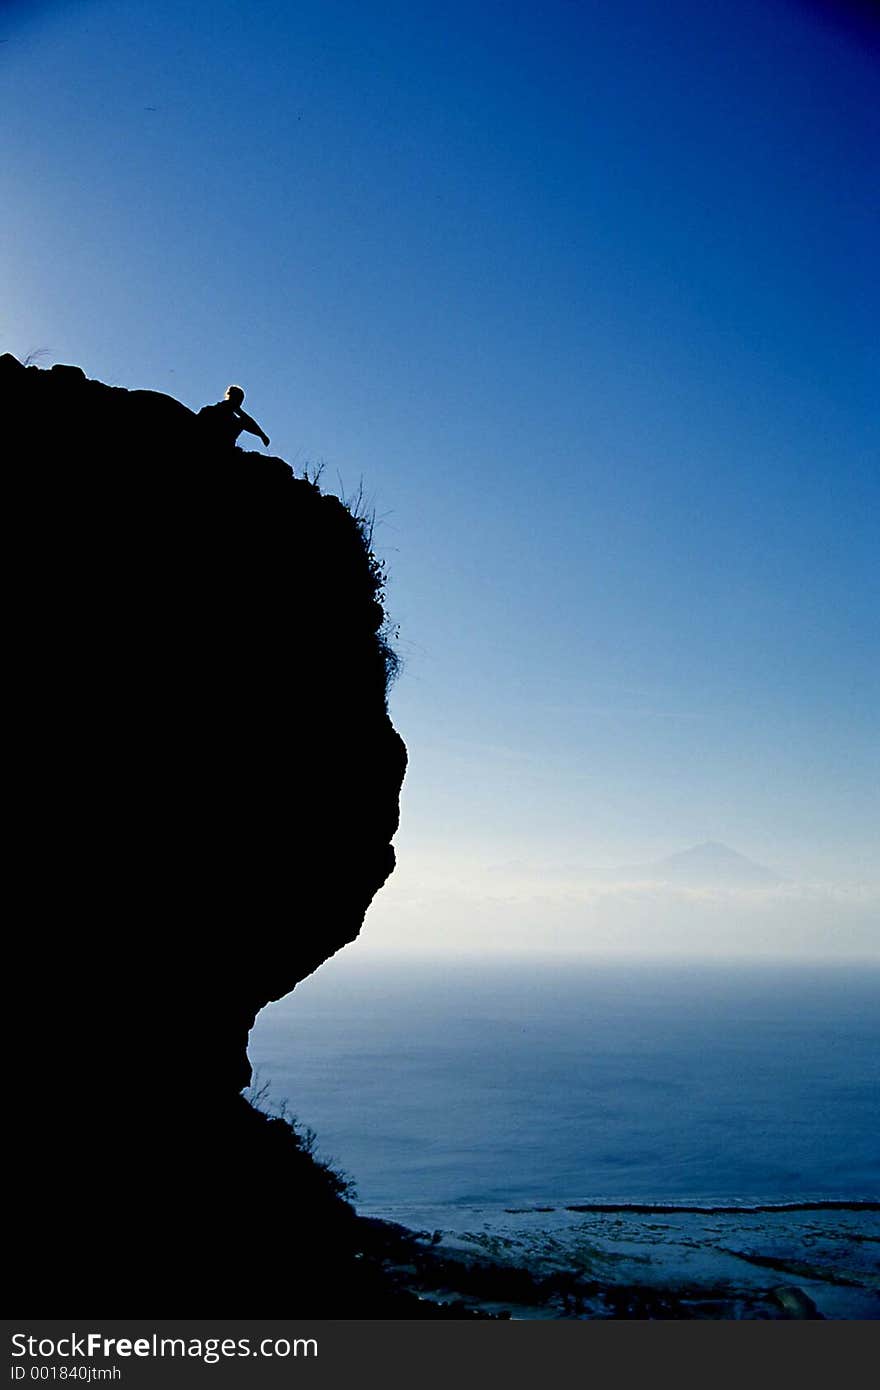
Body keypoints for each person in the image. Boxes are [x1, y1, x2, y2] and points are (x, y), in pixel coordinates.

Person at [198, 384, 270, 449]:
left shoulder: (227, 412)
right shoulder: (216, 410)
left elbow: (246, 419)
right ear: (234, 398)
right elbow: (247, 420)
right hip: (216, 440)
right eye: (239, 400)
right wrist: (262, 435)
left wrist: (262, 435)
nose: (240, 404)